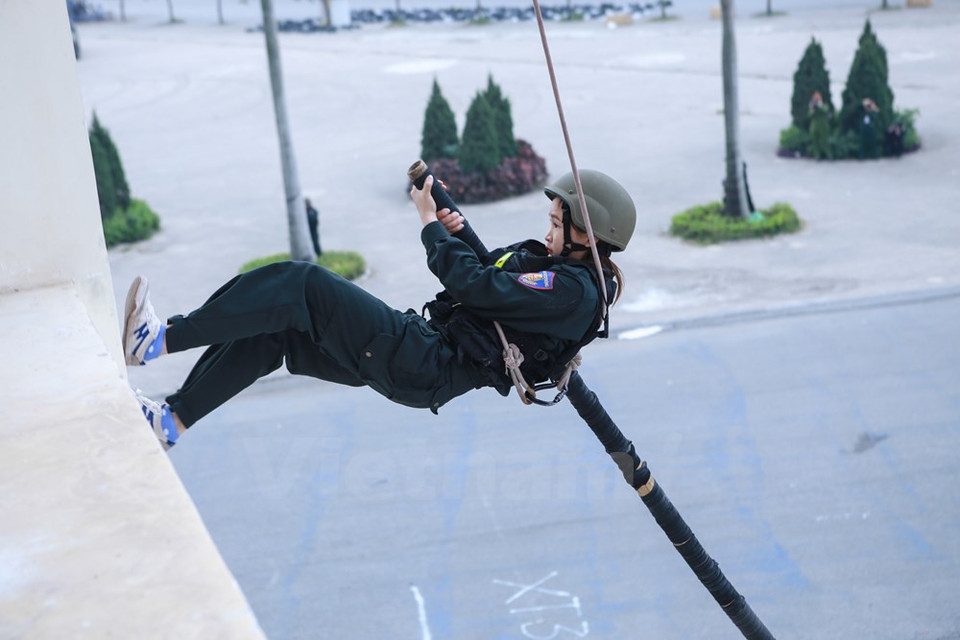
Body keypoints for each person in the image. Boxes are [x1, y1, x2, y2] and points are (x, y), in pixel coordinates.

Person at [123, 169, 637, 449]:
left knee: (300, 282)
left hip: (425, 357)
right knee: (279, 330)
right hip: (423, 360)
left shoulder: (574, 291)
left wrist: (429, 225)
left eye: (555, 223)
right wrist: (458, 231)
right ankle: (171, 422)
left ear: (586, 235)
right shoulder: (565, 279)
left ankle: (158, 340)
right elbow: (497, 285)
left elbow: (477, 288)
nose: (547, 232)